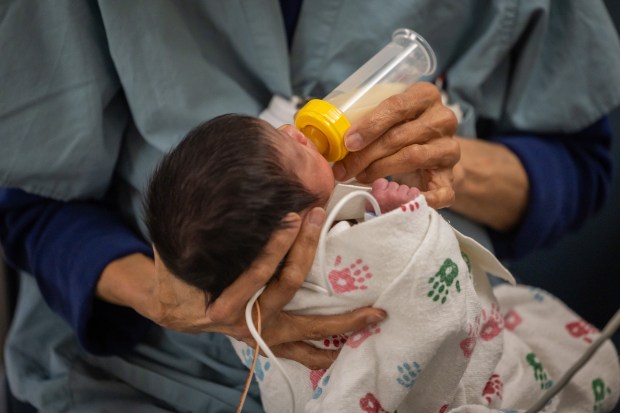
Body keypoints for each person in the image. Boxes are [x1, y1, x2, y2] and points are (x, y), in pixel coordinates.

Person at [1, 1, 620, 411]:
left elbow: (584, 159)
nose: (291, 127)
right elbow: (28, 199)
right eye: (282, 147)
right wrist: (160, 295)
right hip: (136, 373)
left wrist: (449, 165)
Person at [145, 114, 619, 412]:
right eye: (292, 149)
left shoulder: (242, 256)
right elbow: (406, 264)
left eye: (276, 130)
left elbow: (580, 161)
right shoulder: (332, 254)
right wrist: (399, 216)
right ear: (295, 225)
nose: (294, 129)